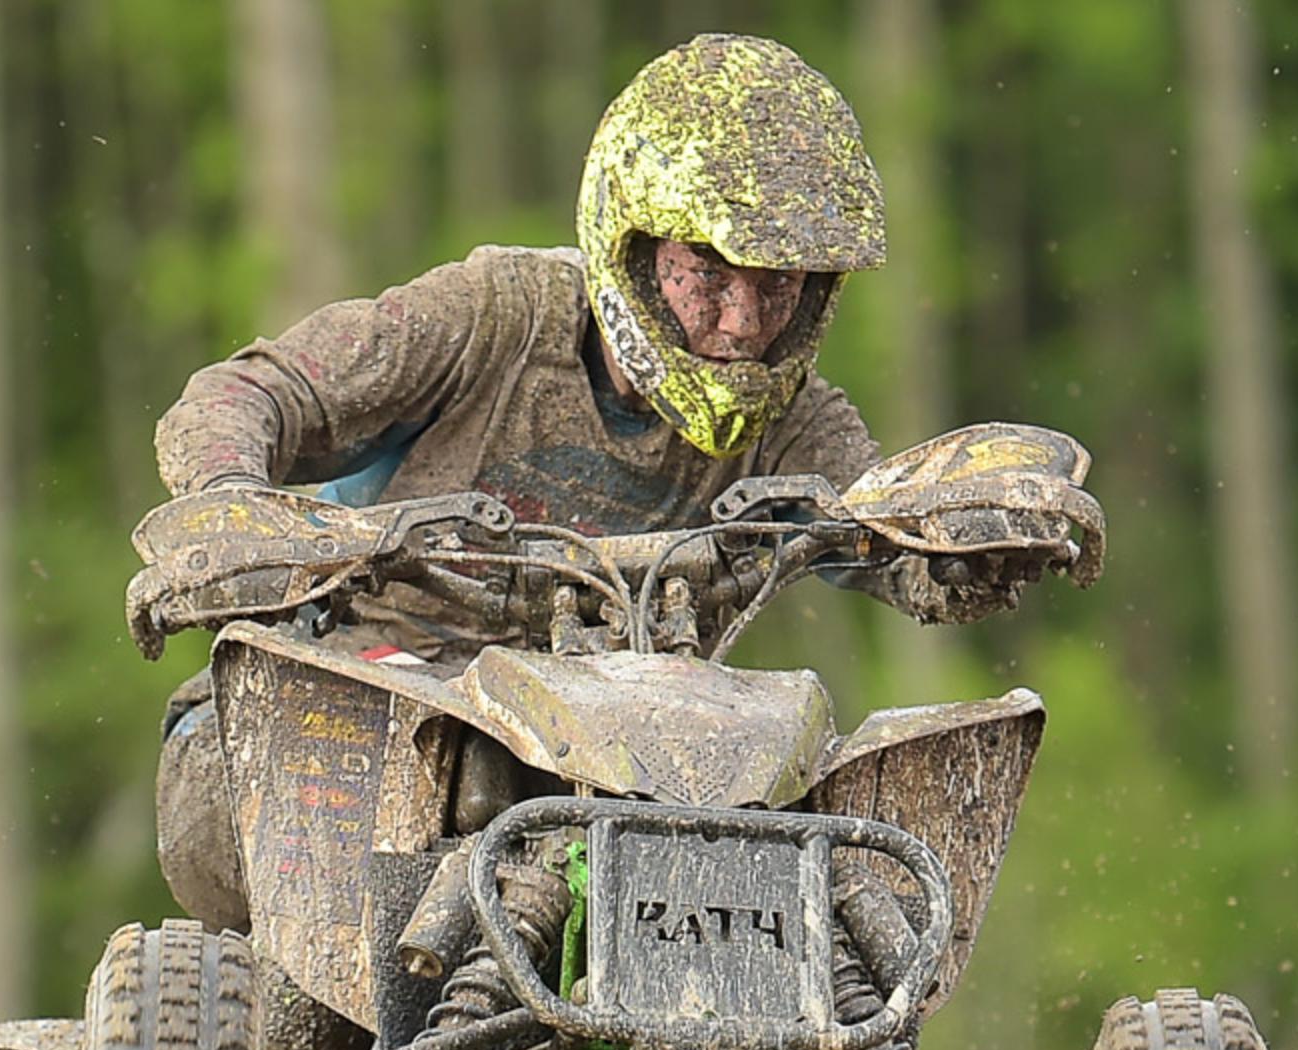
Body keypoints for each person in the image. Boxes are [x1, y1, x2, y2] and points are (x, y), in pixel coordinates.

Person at [150, 32, 1037, 935]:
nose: (743, 320)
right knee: (413, 793)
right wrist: (233, 510)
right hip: (340, 729)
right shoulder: (489, 318)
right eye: (711, 271)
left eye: (781, 287)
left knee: (814, 808)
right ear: (637, 243)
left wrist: (985, 534)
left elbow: (894, 535)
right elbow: (248, 392)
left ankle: (837, 1047)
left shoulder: (795, 422)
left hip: (626, 780)